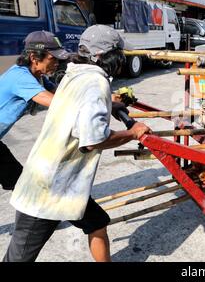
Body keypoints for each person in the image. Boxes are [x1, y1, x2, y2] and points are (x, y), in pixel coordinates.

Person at [3, 25, 150, 262]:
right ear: (104, 56)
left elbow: (74, 106)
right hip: (48, 187)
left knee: (97, 223)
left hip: (66, 184)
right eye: (118, 54)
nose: (121, 59)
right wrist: (133, 133)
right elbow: (93, 140)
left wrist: (109, 105)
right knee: (18, 258)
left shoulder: (74, 74)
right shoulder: (94, 82)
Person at [0, 31, 69, 191]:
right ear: (34, 57)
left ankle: (33, 214)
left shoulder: (37, 77)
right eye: (53, 58)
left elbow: (61, 93)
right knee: (22, 185)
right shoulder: (20, 77)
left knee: (19, 184)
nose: (57, 63)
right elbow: (56, 102)